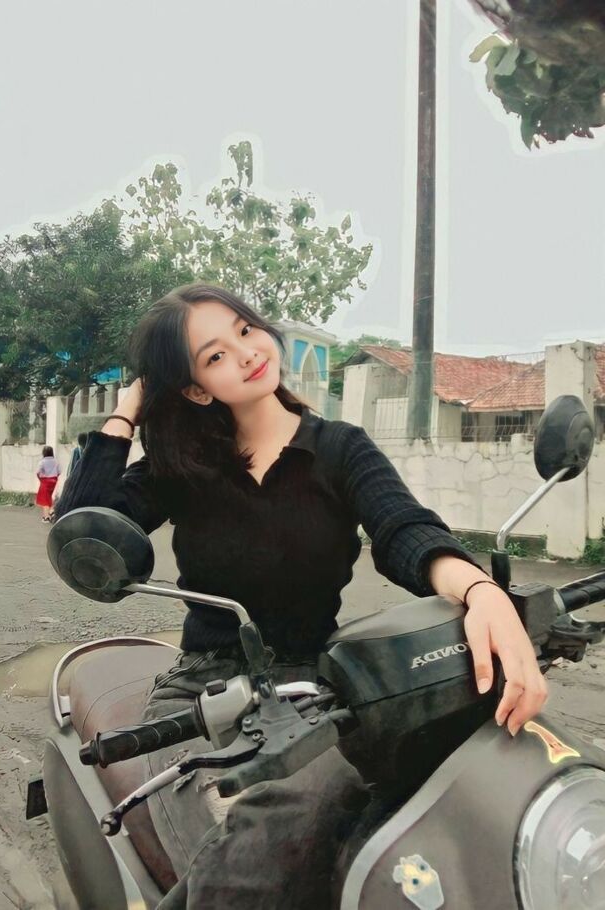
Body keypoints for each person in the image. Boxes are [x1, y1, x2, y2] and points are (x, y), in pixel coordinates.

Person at [56, 284, 548, 910]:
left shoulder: (339, 449)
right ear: (196, 390)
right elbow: (83, 533)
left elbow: (404, 530)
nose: (245, 352)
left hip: (315, 691)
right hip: (200, 698)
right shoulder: (184, 467)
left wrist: (480, 591)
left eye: (244, 329)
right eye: (214, 356)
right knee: (270, 833)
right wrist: (128, 411)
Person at [35, 445, 61, 522]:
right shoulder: (56, 461)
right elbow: (59, 472)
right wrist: (54, 478)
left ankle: (46, 517)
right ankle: (50, 511)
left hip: (45, 481)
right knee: (48, 496)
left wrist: (40, 479)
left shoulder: (42, 462)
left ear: (44, 453)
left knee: (44, 499)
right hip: (53, 481)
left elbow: (38, 472)